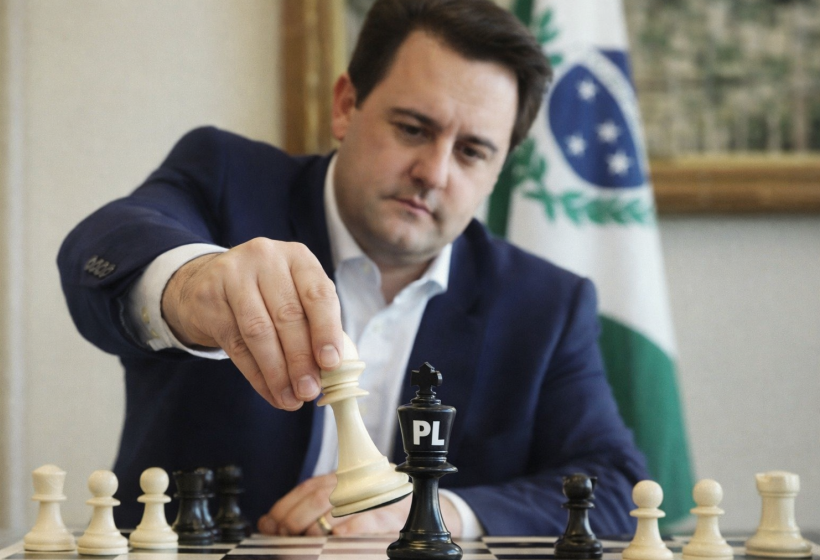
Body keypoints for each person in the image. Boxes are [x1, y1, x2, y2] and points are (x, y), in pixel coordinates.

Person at [58, 0, 647, 537]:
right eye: (412, 129)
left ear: (499, 170)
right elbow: (95, 256)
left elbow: (618, 487)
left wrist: (435, 510)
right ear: (346, 106)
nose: (434, 172)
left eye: (472, 151)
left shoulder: (546, 304)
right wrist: (192, 284)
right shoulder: (225, 180)